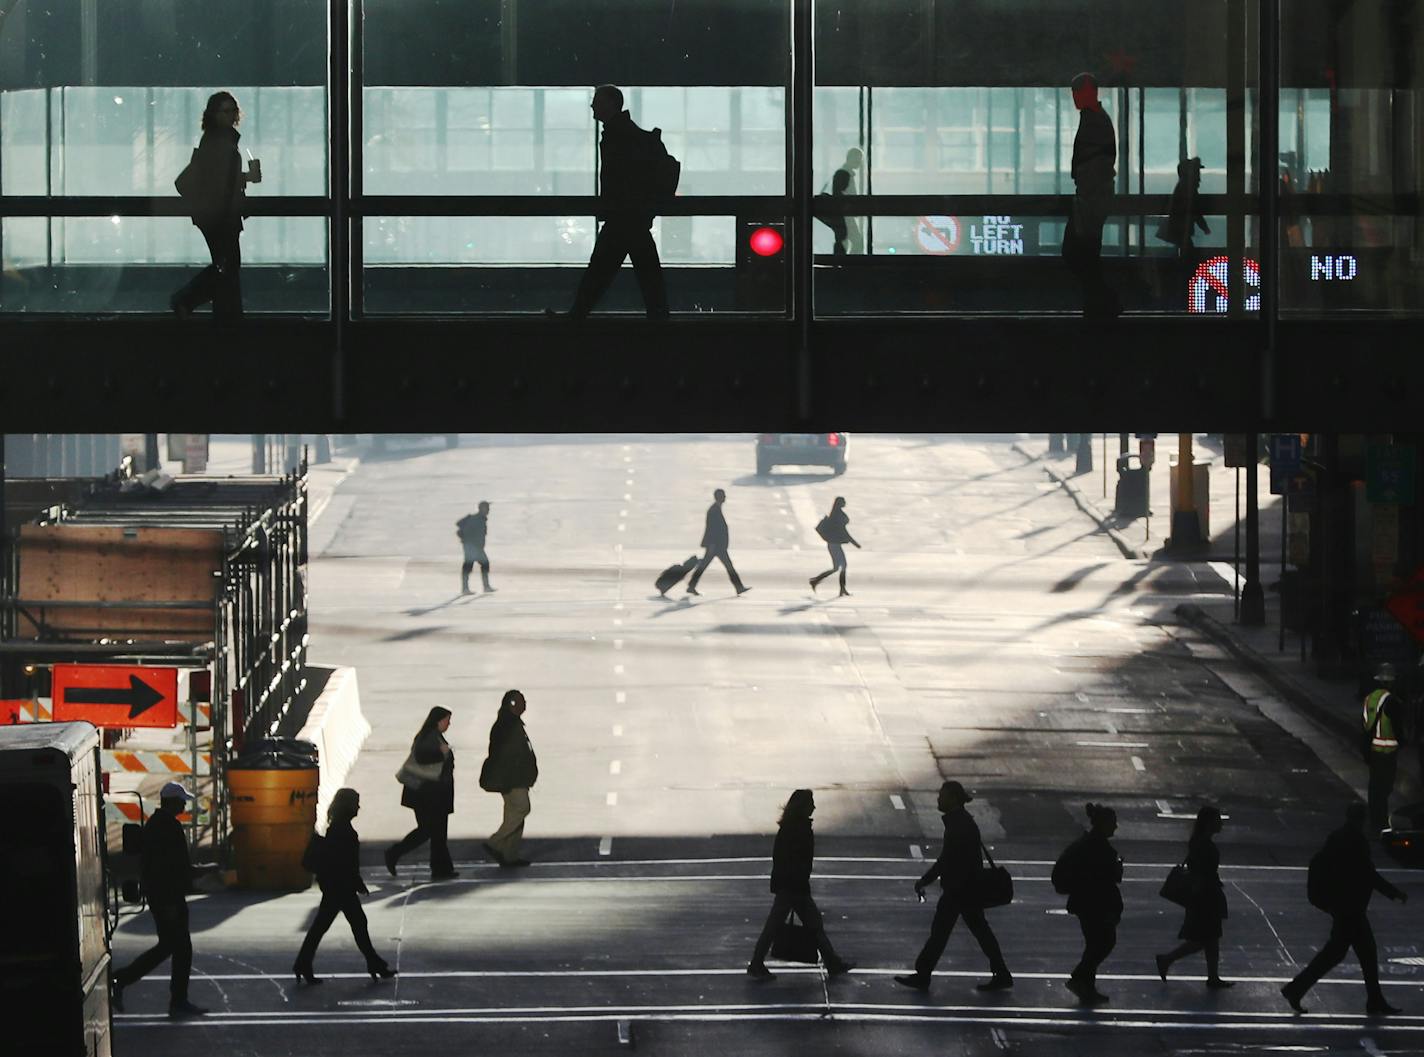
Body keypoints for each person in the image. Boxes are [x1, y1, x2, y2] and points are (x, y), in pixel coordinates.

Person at [550, 85, 671, 321]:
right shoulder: (626, 132)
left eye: (597, 101)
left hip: (623, 215)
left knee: (602, 269)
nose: (592, 105)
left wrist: (613, 205)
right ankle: (659, 319)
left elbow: (621, 177)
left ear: (609, 104)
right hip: (630, 215)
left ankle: (577, 315)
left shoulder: (618, 135)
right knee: (641, 271)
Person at [1282, 802, 1408, 1015]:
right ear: (1362, 818)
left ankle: (1297, 988)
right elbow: (1368, 874)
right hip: (1352, 908)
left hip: (1341, 905)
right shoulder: (1356, 841)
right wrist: (1394, 892)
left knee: (1340, 953)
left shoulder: (1337, 837)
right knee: (1358, 953)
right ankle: (1372, 1000)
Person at [893, 780, 1012, 993]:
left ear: (953, 798)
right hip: (966, 889)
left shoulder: (958, 825)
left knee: (941, 933)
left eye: (942, 795)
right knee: (978, 932)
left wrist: (925, 880)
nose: (939, 798)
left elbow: (946, 860)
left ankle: (923, 974)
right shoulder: (962, 822)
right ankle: (1001, 973)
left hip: (959, 890)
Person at [111, 783, 208, 1018]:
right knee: (181, 948)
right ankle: (176, 1001)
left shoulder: (155, 824)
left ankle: (124, 980)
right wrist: (202, 871)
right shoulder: (169, 827)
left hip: (161, 896)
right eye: (181, 801)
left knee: (169, 946)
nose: (184, 805)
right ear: (172, 802)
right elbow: (176, 867)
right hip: (168, 897)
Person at [171, 91, 260, 322]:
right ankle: (189, 300)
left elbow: (217, 178)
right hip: (220, 215)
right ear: (214, 114)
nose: (231, 115)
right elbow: (219, 180)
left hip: (217, 214)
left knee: (225, 267)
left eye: (233, 110)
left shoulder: (217, 139)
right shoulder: (219, 141)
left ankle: (223, 315)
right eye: (226, 110)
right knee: (227, 268)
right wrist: (248, 177)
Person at [747, 789, 855, 980]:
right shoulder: (799, 829)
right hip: (795, 887)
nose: (814, 807)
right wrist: (798, 882)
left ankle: (832, 962)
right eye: (811, 803)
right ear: (803, 806)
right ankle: (832, 963)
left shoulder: (790, 826)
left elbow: (780, 858)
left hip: (789, 885)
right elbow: (796, 861)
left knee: (785, 925)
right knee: (810, 925)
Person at [294, 789, 397, 984]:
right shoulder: (344, 831)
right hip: (341, 888)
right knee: (355, 925)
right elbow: (344, 863)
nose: (358, 807)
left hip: (336, 887)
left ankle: (303, 963)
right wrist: (356, 883)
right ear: (348, 806)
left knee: (328, 926)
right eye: (356, 803)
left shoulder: (336, 828)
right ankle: (374, 963)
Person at [1154, 805, 1232, 988]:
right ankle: (1167, 959)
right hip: (1205, 896)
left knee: (1211, 938)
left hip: (1205, 894)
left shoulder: (1198, 842)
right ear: (1209, 822)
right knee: (1203, 939)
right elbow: (1202, 873)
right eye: (1217, 819)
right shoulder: (1204, 845)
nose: (1220, 823)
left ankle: (1213, 976)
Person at [1064, 73, 1120, 320]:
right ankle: (1100, 303)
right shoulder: (1097, 120)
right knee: (1086, 253)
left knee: (1078, 252)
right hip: (1093, 196)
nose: (1075, 97)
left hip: (1091, 198)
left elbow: (1096, 163)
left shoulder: (1093, 122)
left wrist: (1085, 187)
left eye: (1078, 92)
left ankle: (1101, 301)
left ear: (1089, 92)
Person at [1057, 802, 1124, 1005]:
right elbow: (1106, 877)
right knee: (1104, 942)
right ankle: (1079, 979)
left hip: (1085, 901)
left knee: (1094, 943)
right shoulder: (1099, 848)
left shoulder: (1087, 843)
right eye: (1113, 823)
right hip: (1095, 903)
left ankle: (1087, 985)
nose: (1116, 827)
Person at [384, 707, 458, 880]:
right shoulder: (428, 737)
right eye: (447, 720)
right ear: (438, 721)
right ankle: (395, 853)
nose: (449, 724)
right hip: (428, 794)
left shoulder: (432, 735)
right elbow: (422, 756)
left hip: (433, 793)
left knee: (436, 832)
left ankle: (441, 868)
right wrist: (442, 754)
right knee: (430, 830)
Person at [480, 689, 538, 867]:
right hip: (514, 778)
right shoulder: (508, 725)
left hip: (513, 778)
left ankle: (509, 855)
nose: (524, 704)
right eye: (521, 701)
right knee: (522, 809)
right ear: (512, 705)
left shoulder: (508, 723)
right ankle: (495, 842)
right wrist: (520, 774)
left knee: (512, 814)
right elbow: (510, 754)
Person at [687, 488, 750, 597]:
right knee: (727, 566)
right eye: (723, 495)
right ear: (719, 497)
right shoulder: (714, 510)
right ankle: (739, 587)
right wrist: (711, 545)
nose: (725, 497)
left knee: (706, 566)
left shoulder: (716, 509)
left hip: (717, 545)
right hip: (716, 546)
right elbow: (712, 529)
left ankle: (691, 586)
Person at [1363, 663, 1404, 831]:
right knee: (1385, 788)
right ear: (1391, 682)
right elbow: (1398, 729)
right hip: (1388, 753)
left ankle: (1374, 820)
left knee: (1374, 787)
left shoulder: (1369, 699)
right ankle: (1381, 821)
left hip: (1373, 750)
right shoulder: (1392, 702)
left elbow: (1365, 725)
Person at [1155, 157, 1210, 256]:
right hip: (1181, 230)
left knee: (1185, 252)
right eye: (1196, 171)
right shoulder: (1188, 188)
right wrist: (1204, 227)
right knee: (1188, 254)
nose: (1199, 176)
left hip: (1179, 230)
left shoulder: (1183, 186)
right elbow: (1194, 210)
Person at [810, 496, 860, 597]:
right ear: (840, 503)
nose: (845, 503)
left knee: (839, 567)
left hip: (834, 544)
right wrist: (854, 543)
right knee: (840, 567)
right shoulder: (838, 515)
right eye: (843, 501)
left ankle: (818, 581)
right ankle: (818, 581)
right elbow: (844, 531)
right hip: (834, 545)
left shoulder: (836, 513)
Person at [457, 501, 494, 595]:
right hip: (472, 546)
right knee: (470, 565)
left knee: (482, 564)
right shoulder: (476, 519)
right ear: (482, 509)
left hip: (475, 546)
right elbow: (467, 532)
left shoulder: (481, 519)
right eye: (487, 508)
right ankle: (466, 588)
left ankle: (484, 586)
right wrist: (473, 544)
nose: (489, 510)